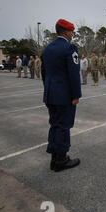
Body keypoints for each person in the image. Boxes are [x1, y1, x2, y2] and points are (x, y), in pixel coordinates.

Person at [41, 19, 81, 172]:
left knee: (55, 125)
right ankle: (61, 160)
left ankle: (54, 158)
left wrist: (49, 90)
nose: (72, 35)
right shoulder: (69, 48)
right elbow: (74, 74)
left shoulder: (47, 49)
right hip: (65, 96)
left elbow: (44, 73)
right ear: (66, 32)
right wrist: (76, 95)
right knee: (64, 126)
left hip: (51, 94)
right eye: (71, 32)